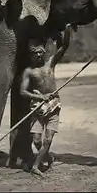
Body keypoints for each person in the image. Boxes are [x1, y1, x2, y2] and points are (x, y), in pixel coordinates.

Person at [19, 25, 72, 177]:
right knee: (36, 140)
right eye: (36, 53)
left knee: (47, 139)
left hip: (53, 106)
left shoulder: (51, 63)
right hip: (37, 107)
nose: (39, 56)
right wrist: (40, 97)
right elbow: (22, 92)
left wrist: (67, 30)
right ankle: (48, 157)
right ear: (31, 55)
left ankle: (36, 166)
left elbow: (65, 46)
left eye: (41, 52)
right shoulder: (29, 71)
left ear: (44, 53)